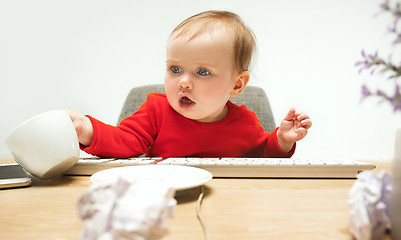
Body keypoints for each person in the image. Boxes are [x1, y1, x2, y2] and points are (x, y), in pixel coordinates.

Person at [67, 10, 312, 158]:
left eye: (202, 72)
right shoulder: (156, 110)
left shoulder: (245, 123)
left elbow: (262, 154)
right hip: (168, 197)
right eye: (175, 69)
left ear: (237, 85)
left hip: (228, 201)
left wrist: (282, 140)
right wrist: (85, 129)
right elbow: (124, 140)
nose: (183, 82)